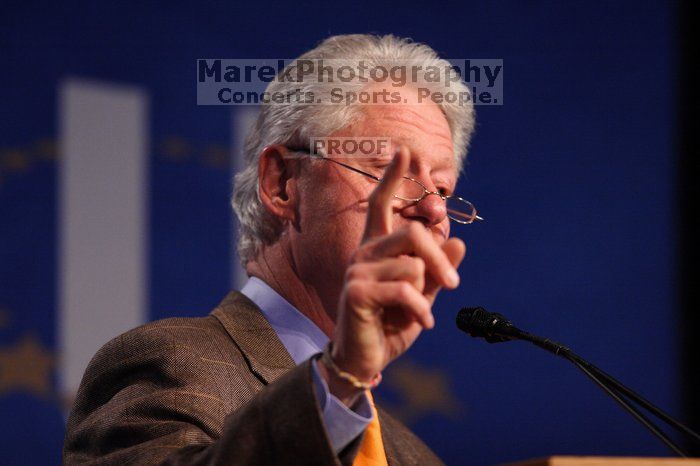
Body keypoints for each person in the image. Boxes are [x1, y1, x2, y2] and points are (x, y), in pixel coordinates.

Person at [63, 33, 478, 465]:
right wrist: (340, 379)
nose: (433, 208)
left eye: (444, 188)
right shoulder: (166, 363)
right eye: (389, 173)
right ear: (282, 183)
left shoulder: (415, 456)